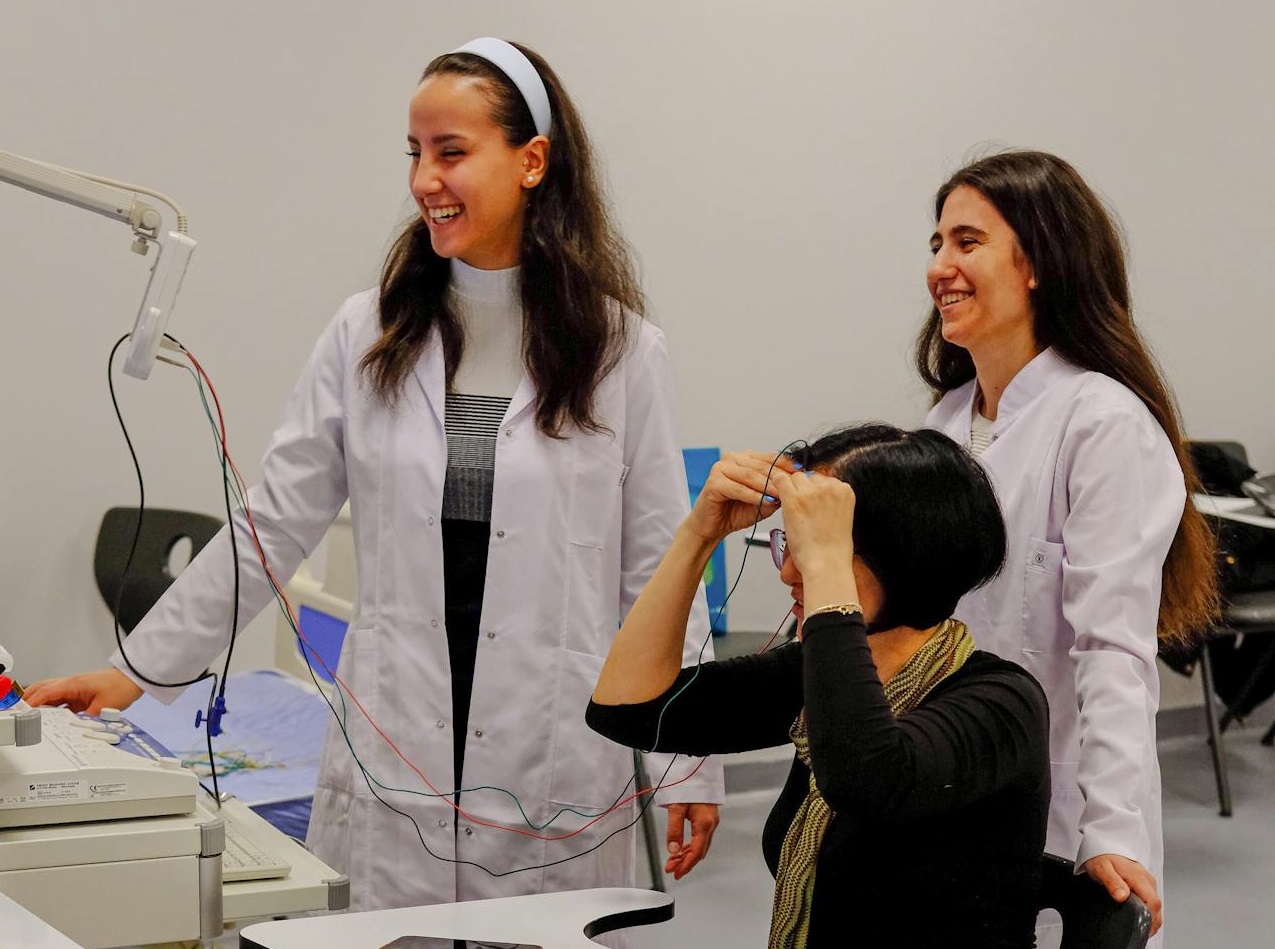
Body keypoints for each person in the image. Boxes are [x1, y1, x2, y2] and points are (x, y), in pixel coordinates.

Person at [24, 37, 722, 911]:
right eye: (416, 152)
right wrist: (137, 670)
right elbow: (271, 525)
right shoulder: (368, 335)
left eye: (452, 152)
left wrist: (687, 756)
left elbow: (661, 568)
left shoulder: (622, 354)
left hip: (557, 754)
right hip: (398, 745)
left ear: (532, 160)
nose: (425, 178)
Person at [588, 425, 1051, 949]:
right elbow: (629, 709)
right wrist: (699, 534)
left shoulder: (1002, 704)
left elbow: (864, 775)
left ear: (907, 552)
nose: (789, 572)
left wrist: (826, 568)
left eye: (810, 549)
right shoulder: (816, 676)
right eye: (788, 545)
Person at [919, 149, 1219, 943]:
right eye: (935, 244)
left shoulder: (1101, 424)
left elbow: (1112, 649)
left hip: (1060, 819)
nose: (939, 266)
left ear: (1037, 263)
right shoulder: (944, 425)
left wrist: (1112, 829)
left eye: (965, 241)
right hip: (940, 803)